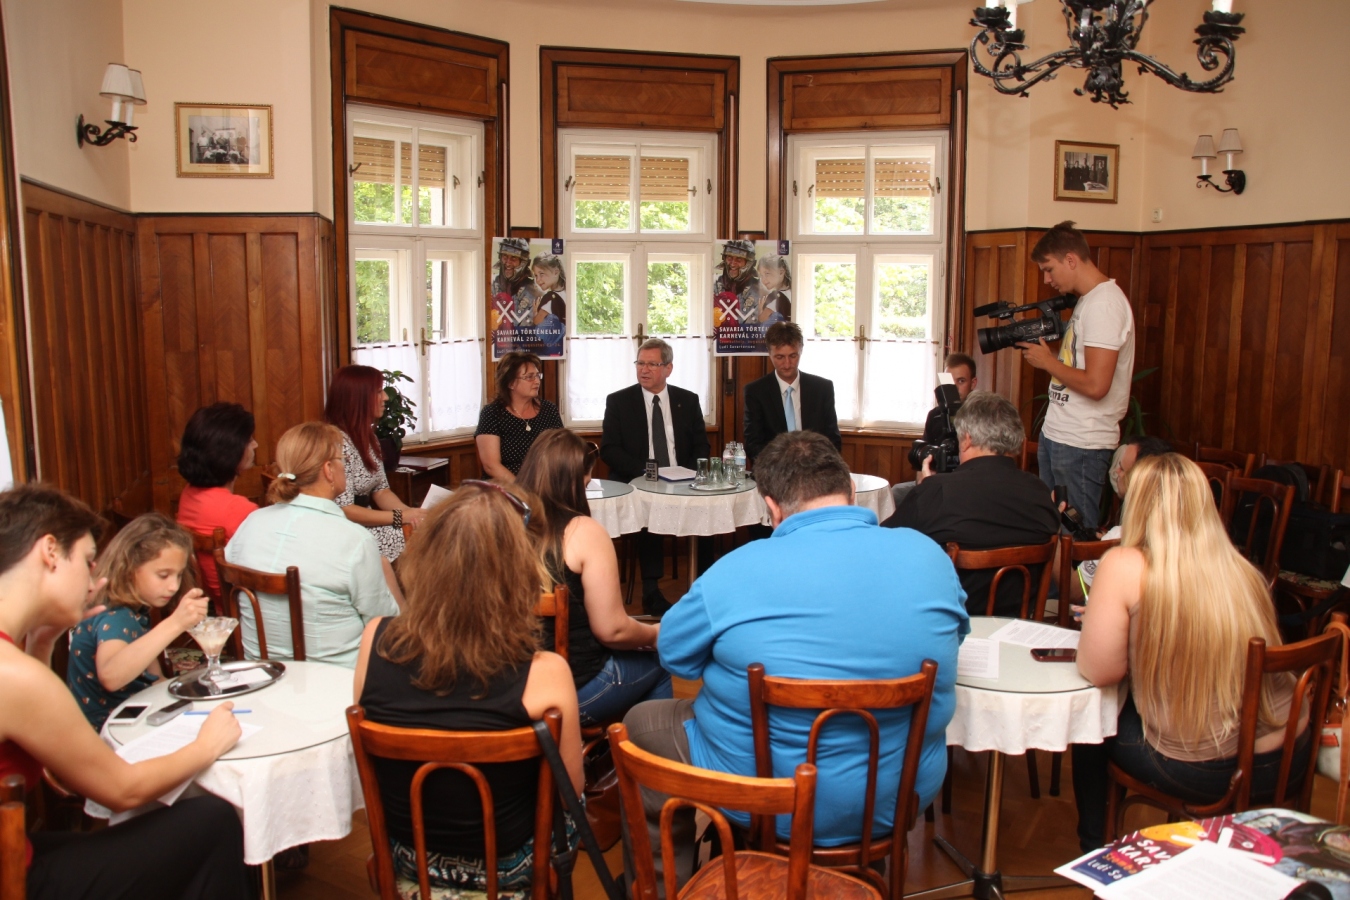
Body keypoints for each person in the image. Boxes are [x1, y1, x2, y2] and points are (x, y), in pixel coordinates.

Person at [622, 431, 968, 891]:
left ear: (773, 508)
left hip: (770, 798)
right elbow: (954, 640)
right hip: (895, 797)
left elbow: (675, 656)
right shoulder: (929, 556)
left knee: (642, 726)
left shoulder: (735, 569)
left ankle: (668, 886)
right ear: (849, 491)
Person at [0, 484, 248, 900]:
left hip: (18, 849)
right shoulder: (14, 674)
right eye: (87, 560)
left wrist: (42, 641)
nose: (94, 579)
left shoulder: (17, 664)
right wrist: (206, 746)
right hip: (15, 878)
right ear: (50, 552)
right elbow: (122, 790)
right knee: (214, 819)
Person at [354, 480, 583, 896]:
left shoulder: (374, 639)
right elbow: (570, 793)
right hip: (509, 865)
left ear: (425, 558)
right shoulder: (547, 672)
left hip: (408, 855)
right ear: (520, 570)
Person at [1072, 453, 1309, 852]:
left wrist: (1106, 628)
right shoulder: (1242, 569)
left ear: (1137, 505)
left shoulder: (1124, 564)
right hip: (1288, 758)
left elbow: (1100, 671)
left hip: (1210, 770)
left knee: (1091, 722)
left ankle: (1095, 849)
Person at [517, 428, 670, 725]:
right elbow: (611, 630)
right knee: (659, 663)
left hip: (509, 691)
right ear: (574, 481)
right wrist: (653, 635)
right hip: (570, 688)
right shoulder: (582, 532)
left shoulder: (501, 525)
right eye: (586, 483)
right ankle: (643, 750)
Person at [226, 422, 401, 666]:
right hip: (337, 677)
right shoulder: (354, 540)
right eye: (343, 460)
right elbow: (385, 626)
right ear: (328, 470)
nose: (345, 467)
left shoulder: (251, 523)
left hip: (261, 671)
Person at [883, 391, 1059, 617]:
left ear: (966, 439)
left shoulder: (937, 492)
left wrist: (925, 490)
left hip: (952, 625)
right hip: (1019, 623)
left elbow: (883, 545)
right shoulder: (1040, 492)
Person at [1017, 221, 1135, 533]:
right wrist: (1052, 358)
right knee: (1051, 531)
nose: (1047, 279)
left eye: (1049, 269)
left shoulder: (1105, 304)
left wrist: (1047, 362)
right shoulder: (1088, 300)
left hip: (1082, 442)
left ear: (1070, 259)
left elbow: (1096, 385)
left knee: (1075, 537)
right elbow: (1080, 366)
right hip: (1059, 433)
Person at [600, 338, 711, 616]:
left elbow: (701, 446)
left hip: (683, 481)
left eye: (652, 364)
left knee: (709, 510)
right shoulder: (619, 401)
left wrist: (688, 475)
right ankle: (651, 591)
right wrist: (647, 473)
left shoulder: (688, 400)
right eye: (640, 363)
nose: (644, 369)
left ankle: (704, 586)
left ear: (668, 368)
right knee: (649, 508)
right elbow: (609, 450)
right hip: (639, 481)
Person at [67, 514, 210, 730]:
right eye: (163, 575)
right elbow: (111, 676)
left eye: (179, 575)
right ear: (129, 568)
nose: (174, 586)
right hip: (109, 731)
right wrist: (175, 623)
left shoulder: (134, 609)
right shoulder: (116, 615)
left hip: (129, 715)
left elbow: (154, 677)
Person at [324, 365, 425, 561]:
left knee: (424, 530)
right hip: (346, 530)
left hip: (367, 523)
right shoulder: (335, 442)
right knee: (423, 539)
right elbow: (345, 509)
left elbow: (381, 491)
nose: (385, 397)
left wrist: (411, 514)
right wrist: (401, 517)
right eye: (378, 392)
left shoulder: (369, 438)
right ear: (358, 398)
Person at [175, 401, 259, 598]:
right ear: (230, 451)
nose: (255, 444)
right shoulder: (238, 510)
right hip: (238, 604)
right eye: (249, 440)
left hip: (211, 599)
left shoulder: (189, 492)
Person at [891, 353, 979, 509]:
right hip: (934, 480)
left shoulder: (981, 416)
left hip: (968, 484)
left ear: (973, 383)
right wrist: (922, 487)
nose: (954, 388)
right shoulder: (935, 415)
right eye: (949, 382)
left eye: (961, 381)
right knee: (897, 493)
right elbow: (923, 457)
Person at [742, 322, 841, 461]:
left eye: (793, 356)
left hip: (815, 467)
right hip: (774, 468)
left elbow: (832, 441)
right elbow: (754, 444)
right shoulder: (756, 392)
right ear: (769, 353)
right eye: (780, 357)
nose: (787, 364)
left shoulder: (822, 388)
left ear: (801, 350)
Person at [475, 351, 564, 481]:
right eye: (529, 377)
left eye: (537, 375)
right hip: (505, 485)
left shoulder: (549, 410)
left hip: (545, 483)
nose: (537, 381)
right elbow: (491, 465)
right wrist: (520, 489)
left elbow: (562, 451)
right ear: (510, 383)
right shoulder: (492, 413)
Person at [531, 254, 567, 358]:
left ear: (556, 272)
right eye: (536, 275)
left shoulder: (550, 298)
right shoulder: (565, 292)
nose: (538, 280)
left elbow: (537, 321)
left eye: (541, 274)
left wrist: (535, 312)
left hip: (549, 347)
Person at [755, 255, 792, 325]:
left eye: (767, 274)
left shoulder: (776, 298)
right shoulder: (791, 292)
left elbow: (761, 319)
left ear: (781, 272)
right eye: (761, 276)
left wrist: (760, 309)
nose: (763, 280)